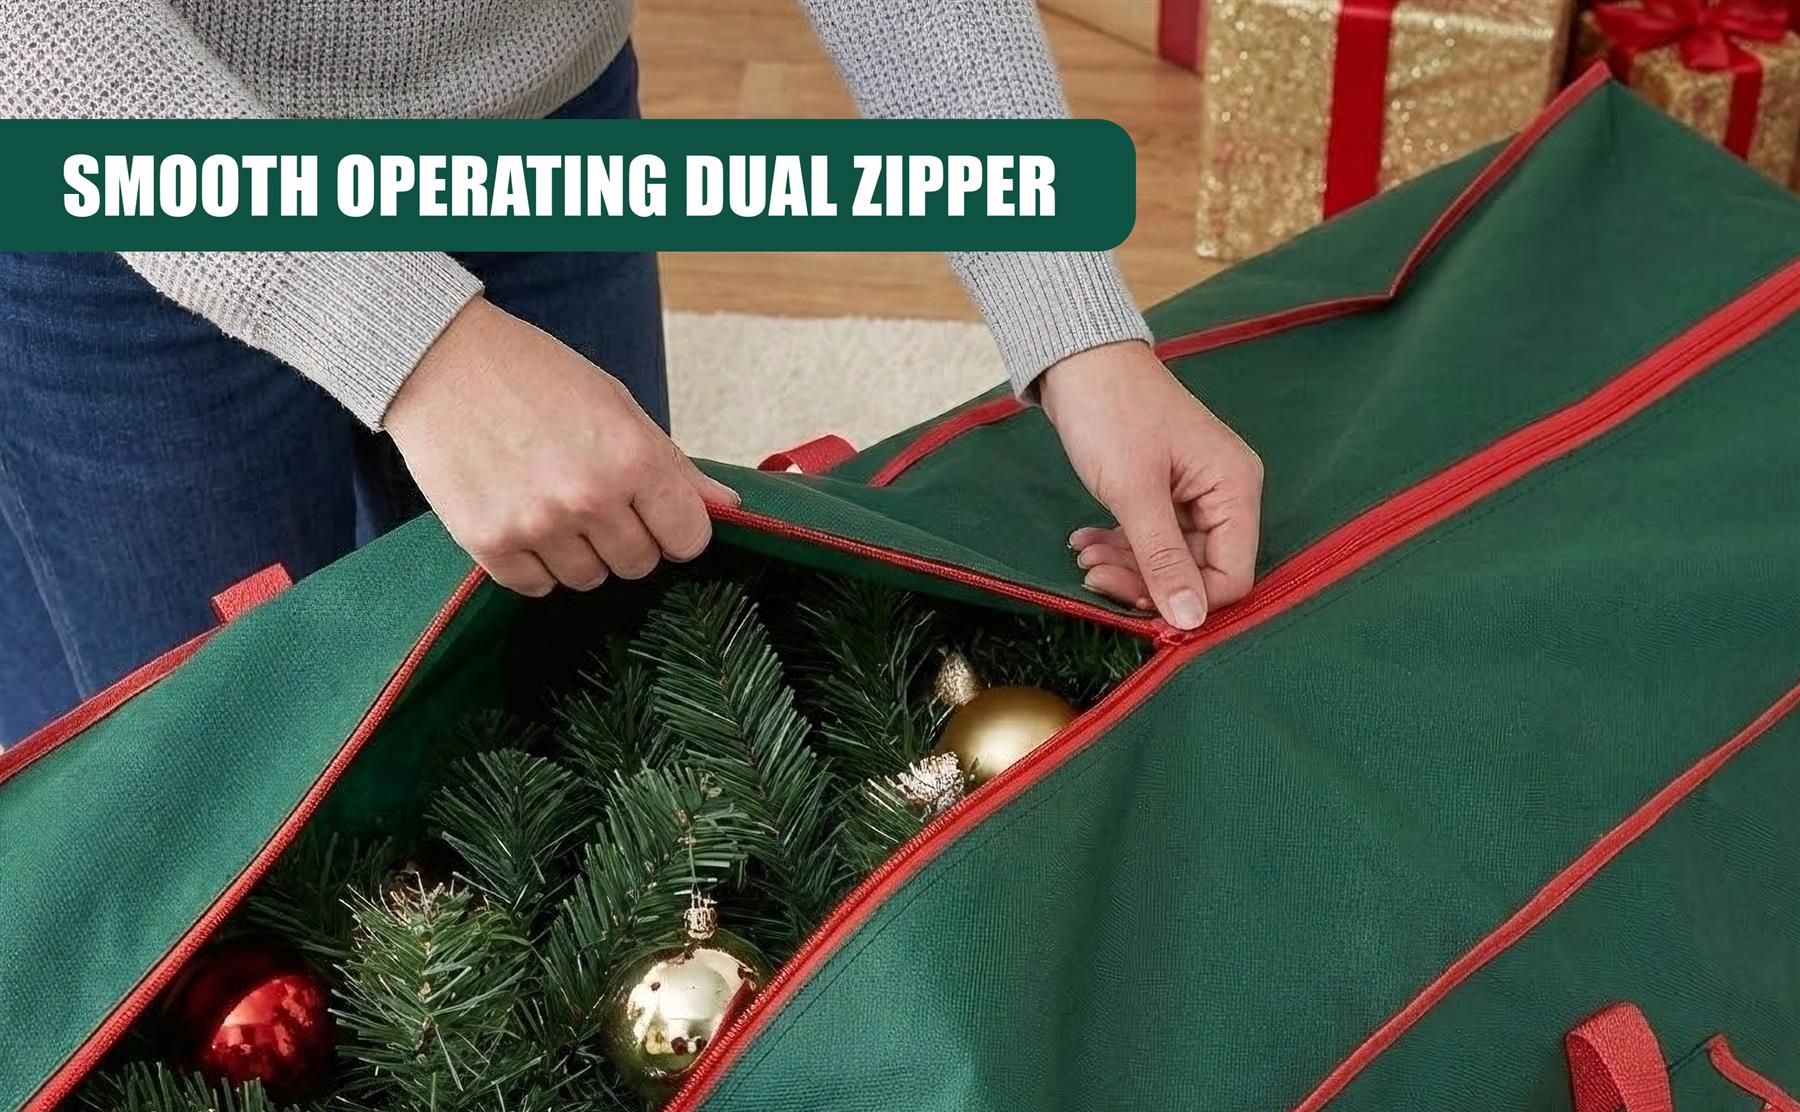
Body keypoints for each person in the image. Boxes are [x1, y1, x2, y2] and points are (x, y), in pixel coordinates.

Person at [0, 1, 1265, 747]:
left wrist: (1070, 316)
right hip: (112, 185)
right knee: (197, 800)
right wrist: (409, 341)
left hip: (542, 114)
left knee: (605, 723)